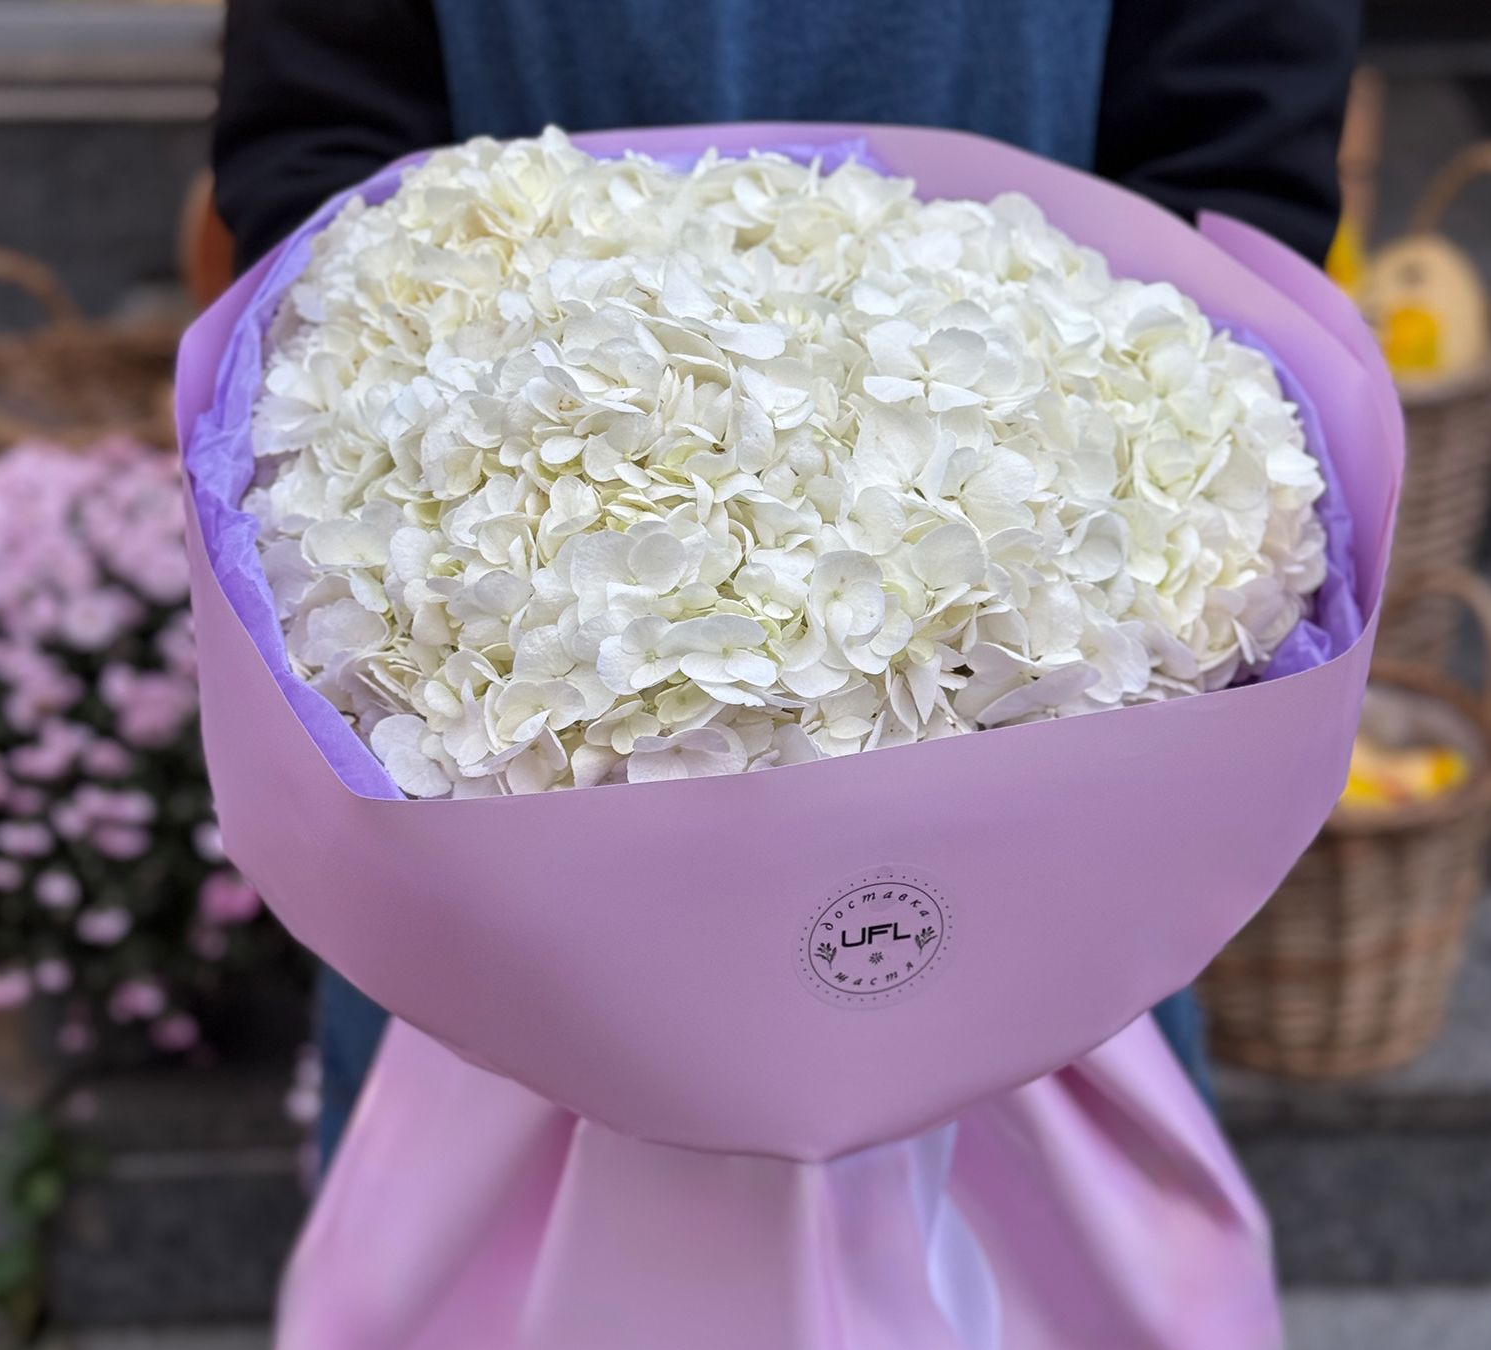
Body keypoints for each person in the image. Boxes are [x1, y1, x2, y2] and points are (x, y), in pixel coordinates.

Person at [213, 0, 1360, 1163]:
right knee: (476, 1234)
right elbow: (317, 124)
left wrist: (1120, 383)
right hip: (485, 884)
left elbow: (1238, 132)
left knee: (1030, 1229)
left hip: (1049, 834)